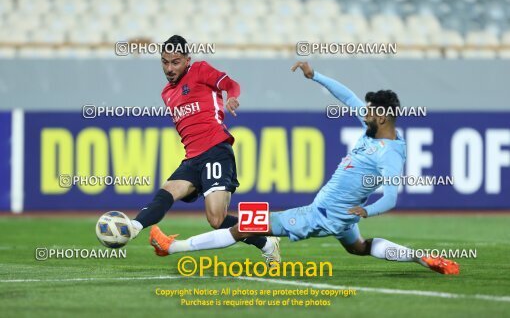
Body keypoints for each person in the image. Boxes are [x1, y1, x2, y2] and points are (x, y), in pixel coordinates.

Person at [148, 61, 459, 275]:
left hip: (320, 215)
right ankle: (422, 259)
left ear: (382, 118)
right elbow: (348, 97)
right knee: (360, 247)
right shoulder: (378, 131)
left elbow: (391, 198)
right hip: (341, 214)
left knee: (244, 226)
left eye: (369, 112)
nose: (362, 113)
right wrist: (316, 76)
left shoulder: (389, 154)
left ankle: (172, 247)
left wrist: (368, 212)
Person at [129, 35, 281, 266]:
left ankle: (268, 237)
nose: (169, 68)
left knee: (216, 218)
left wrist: (232, 97)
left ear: (187, 60)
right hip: (192, 159)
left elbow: (231, 84)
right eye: (165, 62)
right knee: (167, 190)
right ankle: (133, 226)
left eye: (176, 62)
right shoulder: (166, 94)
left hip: (215, 151)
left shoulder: (200, 70)